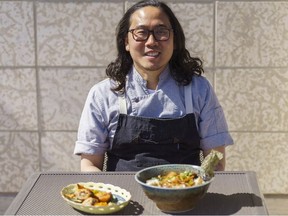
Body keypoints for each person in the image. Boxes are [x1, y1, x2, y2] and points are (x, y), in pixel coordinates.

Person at [74, 0, 233, 172]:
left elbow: (215, 162)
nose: (151, 41)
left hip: (187, 196)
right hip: (122, 197)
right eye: (141, 32)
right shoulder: (103, 94)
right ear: (126, 42)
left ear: (175, 40)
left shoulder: (199, 90)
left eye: (161, 32)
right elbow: (90, 164)